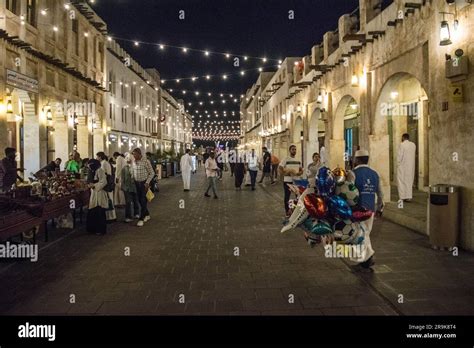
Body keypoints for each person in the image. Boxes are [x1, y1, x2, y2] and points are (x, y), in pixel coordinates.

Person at [350, 149, 384, 271]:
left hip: (358, 209)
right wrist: (380, 207)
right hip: (370, 209)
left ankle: (369, 257)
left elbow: (349, 192)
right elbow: (380, 193)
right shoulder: (375, 173)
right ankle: (364, 260)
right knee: (365, 233)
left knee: (361, 234)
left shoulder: (353, 173)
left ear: (357, 160)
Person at [131, 148, 155, 227]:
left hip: (144, 183)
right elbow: (133, 171)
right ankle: (147, 214)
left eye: (135, 154)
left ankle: (141, 218)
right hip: (136, 183)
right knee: (139, 200)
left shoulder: (146, 161)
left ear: (139, 154)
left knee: (143, 199)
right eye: (133, 154)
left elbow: (152, 173)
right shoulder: (133, 162)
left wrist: (147, 182)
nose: (133, 156)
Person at [279, 145, 303, 217]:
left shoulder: (298, 160)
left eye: (295, 149)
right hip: (287, 181)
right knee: (287, 196)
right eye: (293, 149)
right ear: (290, 150)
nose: (294, 151)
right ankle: (287, 211)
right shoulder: (286, 159)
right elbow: (280, 167)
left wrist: (299, 173)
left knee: (298, 196)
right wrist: (285, 173)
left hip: (296, 181)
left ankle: (297, 211)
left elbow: (301, 169)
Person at [86, 159, 108, 235]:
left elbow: (104, 182)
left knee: (99, 210)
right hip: (94, 192)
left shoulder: (100, 170)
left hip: (99, 193)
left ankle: (100, 229)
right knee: (93, 209)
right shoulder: (93, 171)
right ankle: (93, 229)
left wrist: (94, 185)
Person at [96, 152, 117, 222]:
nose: (96, 158)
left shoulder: (104, 163)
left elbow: (106, 174)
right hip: (107, 183)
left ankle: (110, 217)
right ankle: (110, 216)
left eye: (97, 157)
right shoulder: (105, 163)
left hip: (107, 184)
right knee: (109, 200)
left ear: (100, 157)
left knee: (108, 200)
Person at [397, 133, 416, 202]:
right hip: (411, 166)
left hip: (403, 166)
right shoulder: (413, 145)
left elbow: (400, 156)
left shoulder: (402, 145)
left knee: (401, 181)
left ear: (403, 137)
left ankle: (402, 196)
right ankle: (409, 196)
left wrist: (398, 163)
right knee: (409, 181)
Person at [121, 154, 140, 223]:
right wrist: (123, 187)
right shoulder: (124, 168)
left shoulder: (136, 167)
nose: (128, 160)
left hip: (135, 187)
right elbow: (122, 179)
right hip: (127, 187)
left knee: (135, 201)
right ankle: (128, 216)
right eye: (127, 158)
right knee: (128, 202)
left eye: (130, 158)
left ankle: (136, 213)